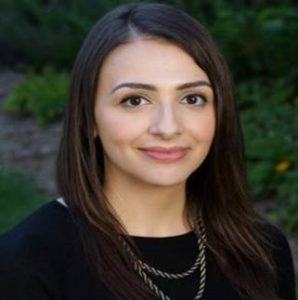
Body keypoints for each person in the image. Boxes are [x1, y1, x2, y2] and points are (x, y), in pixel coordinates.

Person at [0, 3, 295, 300]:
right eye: (135, 100)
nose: (168, 127)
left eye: (192, 98)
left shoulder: (262, 250)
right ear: (89, 118)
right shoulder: (26, 263)